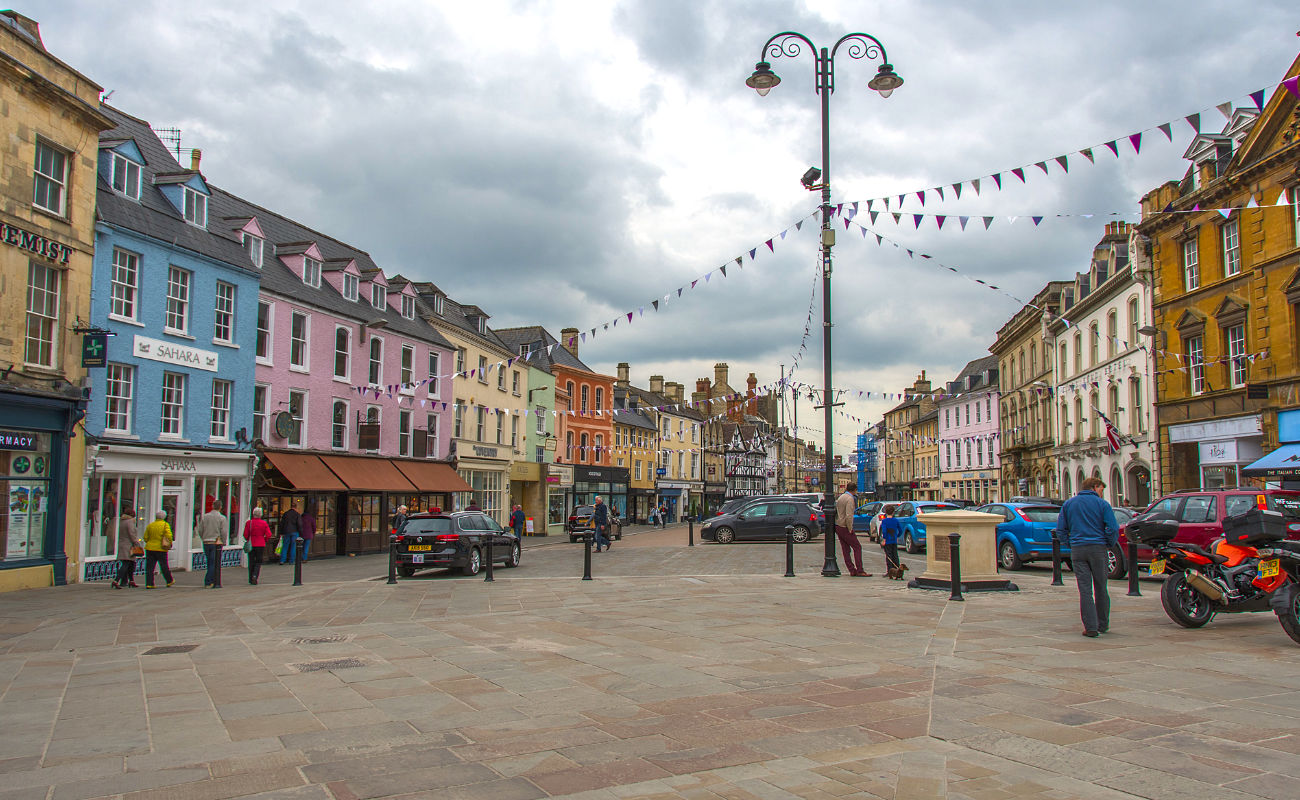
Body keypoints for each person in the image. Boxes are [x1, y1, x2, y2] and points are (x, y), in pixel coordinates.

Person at [1055, 476, 1120, 638]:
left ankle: (1090, 627)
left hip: (1078, 549)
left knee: (1084, 590)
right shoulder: (1102, 504)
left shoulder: (1069, 504)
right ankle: (1102, 624)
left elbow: (1061, 530)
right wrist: (1108, 543)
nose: (1101, 493)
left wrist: (1070, 543)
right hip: (1098, 548)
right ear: (1094, 487)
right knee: (1101, 587)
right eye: (1101, 489)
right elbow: (1112, 528)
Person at [834, 482, 870, 577]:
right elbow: (849, 515)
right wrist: (850, 528)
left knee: (845, 549)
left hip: (838, 525)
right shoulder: (850, 499)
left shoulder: (841, 497)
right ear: (854, 490)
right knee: (857, 547)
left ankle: (851, 570)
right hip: (845, 526)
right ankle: (860, 570)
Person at [198, 500, 228, 589]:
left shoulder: (205, 517)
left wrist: (203, 537)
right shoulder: (222, 518)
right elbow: (223, 531)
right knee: (214, 562)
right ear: (220, 507)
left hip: (206, 541)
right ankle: (209, 581)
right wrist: (224, 541)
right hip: (216, 542)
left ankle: (212, 580)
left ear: (212, 506)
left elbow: (200, 530)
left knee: (209, 561)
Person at [111, 503, 142, 589]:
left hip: (122, 544)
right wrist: (137, 543)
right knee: (126, 564)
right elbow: (132, 534)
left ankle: (130, 581)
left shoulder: (122, 521)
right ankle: (116, 580)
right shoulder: (130, 522)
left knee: (131, 564)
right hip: (129, 546)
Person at [142, 510, 174, 589]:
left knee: (150, 567)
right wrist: (169, 543)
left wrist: (150, 542)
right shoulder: (165, 525)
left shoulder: (150, 525)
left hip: (150, 548)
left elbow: (145, 537)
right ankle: (169, 580)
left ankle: (149, 583)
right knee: (164, 565)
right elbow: (169, 536)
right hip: (161, 549)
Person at [243, 507, 271, 585]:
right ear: (261, 515)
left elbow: (245, 534)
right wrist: (264, 539)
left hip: (251, 544)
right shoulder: (264, 523)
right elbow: (269, 534)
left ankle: (250, 578)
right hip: (260, 544)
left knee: (251, 561)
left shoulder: (249, 523)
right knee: (258, 561)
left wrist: (248, 539)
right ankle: (255, 576)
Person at [881, 508, 905, 580]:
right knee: (895, 555)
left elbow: (884, 531)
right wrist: (897, 536)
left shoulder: (884, 521)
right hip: (894, 540)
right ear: (893, 513)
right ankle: (897, 569)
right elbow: (900, 530)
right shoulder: (895, 520)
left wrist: (884, 539)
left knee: (889, 556)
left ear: (886, 512)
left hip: (888, 540)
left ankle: (890, 571)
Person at [278, 500, 301, 565]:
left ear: (290, 507)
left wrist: (281, 532)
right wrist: (300, 532)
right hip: (294, 531)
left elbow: (282, 523)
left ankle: (282, 560)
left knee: (285, 546)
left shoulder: (286, 514)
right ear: (296, 507)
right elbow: (299, 524)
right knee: (293, 546)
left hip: (286, 531)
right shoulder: (297, 514)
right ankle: (291, 561)